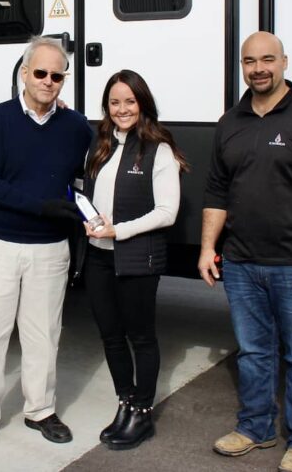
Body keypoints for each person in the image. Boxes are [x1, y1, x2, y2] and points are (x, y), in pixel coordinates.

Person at [198, 32, 292, 472]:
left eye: (267, 59)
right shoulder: (230, 122)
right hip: (241, 263)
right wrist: (208, 247)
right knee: (253, 352)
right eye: (250, 61)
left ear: (284, 62)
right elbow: (217, 190)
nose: (259, 69)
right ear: (242, 66)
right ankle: (256, 428)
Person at [0, 37, 92, 453]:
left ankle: (40, 410)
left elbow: (91, 173)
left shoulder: (76, 127)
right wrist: (42, 207)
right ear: (24, 73)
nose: (48, 81)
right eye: (40, 73)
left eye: (57, 75)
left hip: (50, 250)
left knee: (44, 336)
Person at [80, 69, 187, 450]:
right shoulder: (100, 146)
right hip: (98, 258)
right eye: (114, 102)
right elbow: (90, 194)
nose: (122, 109)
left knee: (140, 337)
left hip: (138, 258)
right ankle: (125, 402)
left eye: (129, 101)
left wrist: (118, 230)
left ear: (142, 104)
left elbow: (167, 213)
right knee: (110, 336)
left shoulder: (159, 149)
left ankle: (142, 412)